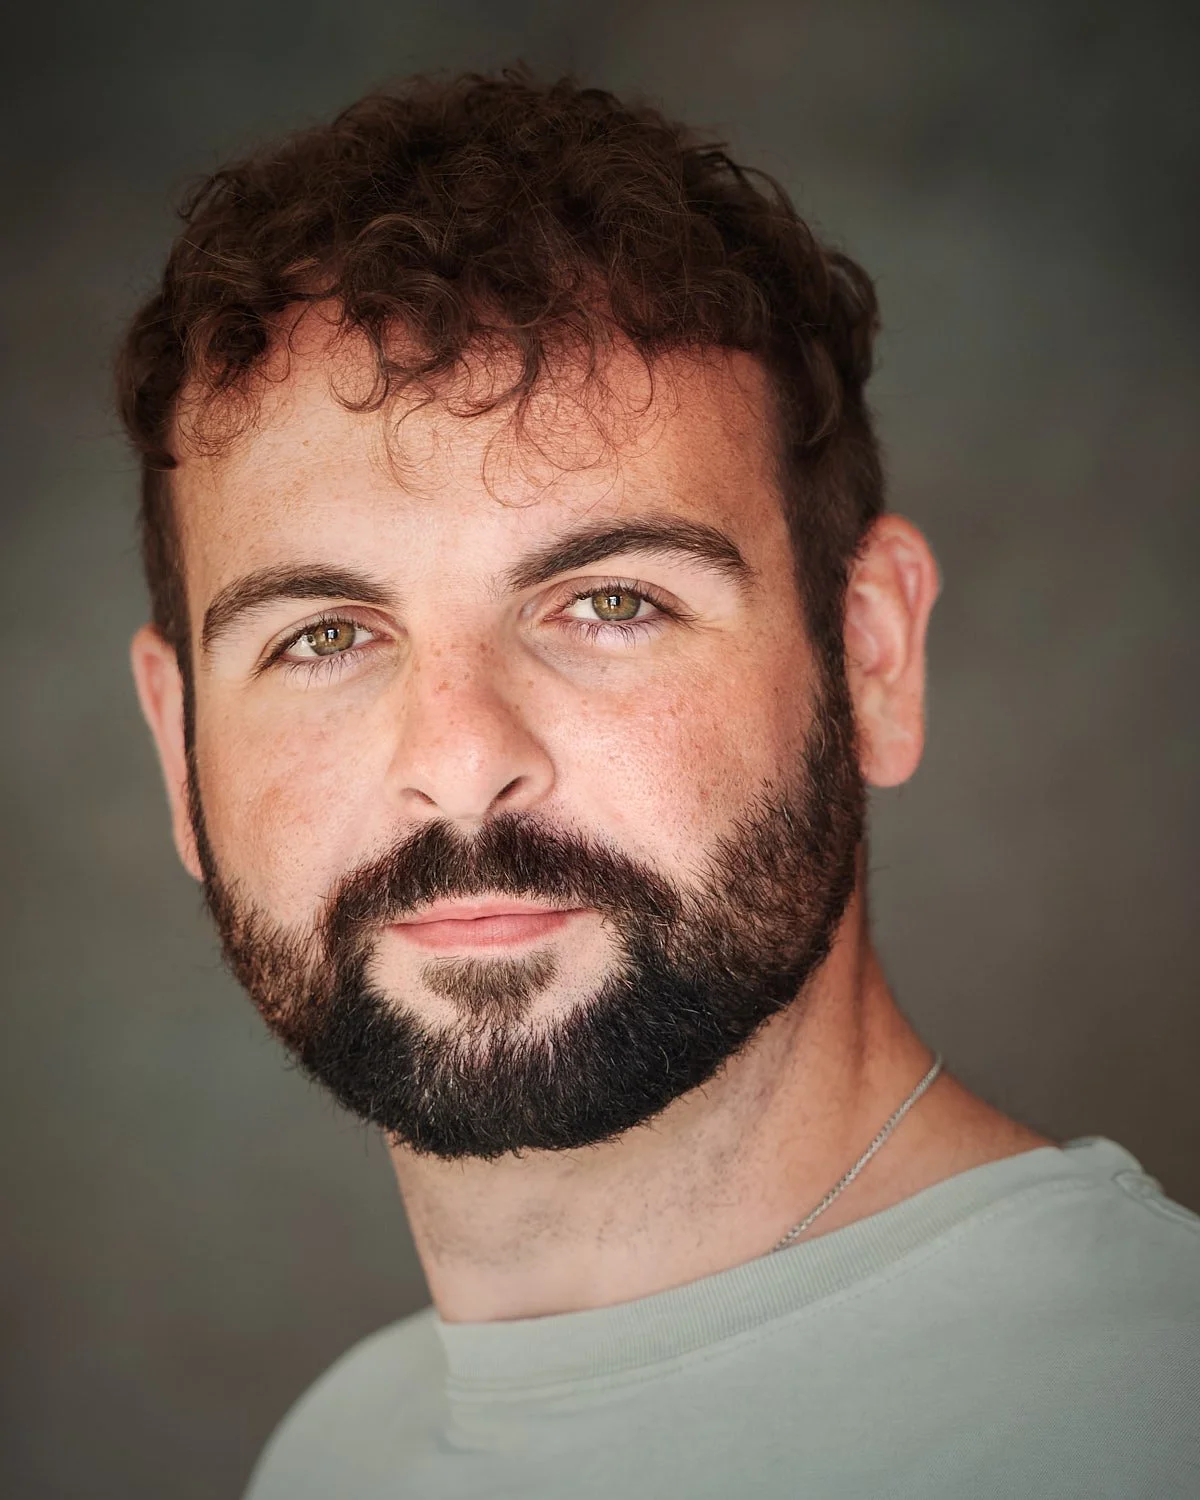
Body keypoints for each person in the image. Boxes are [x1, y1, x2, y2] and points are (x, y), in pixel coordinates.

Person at [119, 70, 1198, 1500]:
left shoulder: (1151, 1412)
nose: (460, 761)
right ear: (180, 747)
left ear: (872, 657)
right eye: (322, 637)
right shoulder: (334, 1452)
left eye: (610, 602)